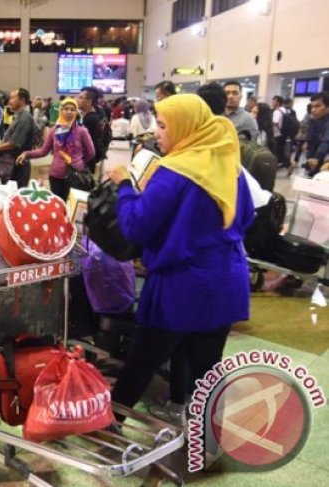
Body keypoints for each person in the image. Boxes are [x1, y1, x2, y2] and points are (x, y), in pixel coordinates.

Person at [106, 94, 254, 424]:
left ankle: (109, 424)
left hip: (182, 285)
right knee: (206, 368)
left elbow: (136, 225)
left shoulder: (173, 171)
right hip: (227, 279)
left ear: (185, 127)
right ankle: (208, 439)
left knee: (142, 361)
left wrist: (126, 187)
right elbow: (244, 218)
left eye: (162, 125)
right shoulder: (231, 167)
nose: (157, 133)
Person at [17, 97, 95, 200]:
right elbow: (43, 151)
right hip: (56, 175)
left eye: (72, 109)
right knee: (58, 205)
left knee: (72, 208)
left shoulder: (82, 131)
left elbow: (91, 152)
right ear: (61, 111)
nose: (69, 112)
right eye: (66, 109)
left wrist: (79, 162)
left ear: (76, 112)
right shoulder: (54, 130)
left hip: (76, 176)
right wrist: (27, 154)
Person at [0, 88, 37, 187]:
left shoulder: (25, 118)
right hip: (11, 163)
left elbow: (14, 143)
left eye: (12, 98)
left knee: (14, 195)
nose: (9, 101)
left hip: (18, 166)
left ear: (22, 100)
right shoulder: (19, 116)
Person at [77, 87, 106, 173]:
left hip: (85, 162)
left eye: (81, 97)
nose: (77, 99)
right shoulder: (90, 116)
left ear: (89, 102)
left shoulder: (90, 119)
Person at [306, 91, 329, 177]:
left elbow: (326, 141)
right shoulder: (315, 120)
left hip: (324, 164)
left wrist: (317, 158)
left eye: (318, 106)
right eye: (312, 106)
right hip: (314, 162)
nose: (313, 110)